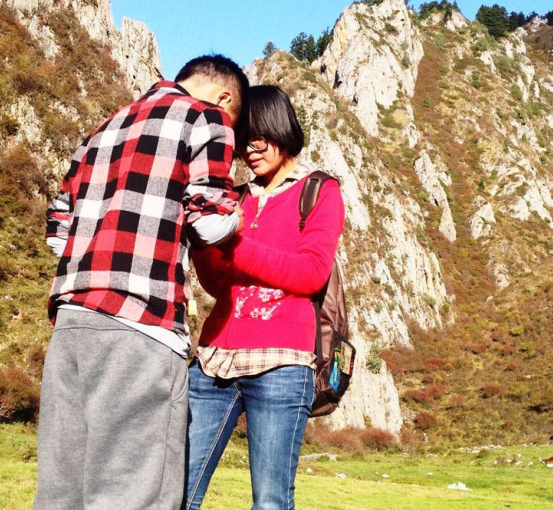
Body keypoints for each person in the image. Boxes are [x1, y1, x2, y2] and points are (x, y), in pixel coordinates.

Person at [34, 55, 249, 510]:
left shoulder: (105, 126)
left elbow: (57, 232)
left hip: (72, 320)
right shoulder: (206, 118)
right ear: (225, 98)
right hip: (142, 321)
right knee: (134, 492)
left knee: (61, 491)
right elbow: (209, 222)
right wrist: (239, 219)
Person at [185, 85, 346, 509]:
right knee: (177, 491)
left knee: (271, 502)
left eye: (258, 138)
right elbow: (219, 285)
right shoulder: (235, 197)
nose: (249, 151)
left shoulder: (320, 190)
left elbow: (310, 273)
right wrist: (202, 243)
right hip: (214, 360)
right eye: (242, 141)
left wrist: (232, 242)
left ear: (280, 128)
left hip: (282, 362)